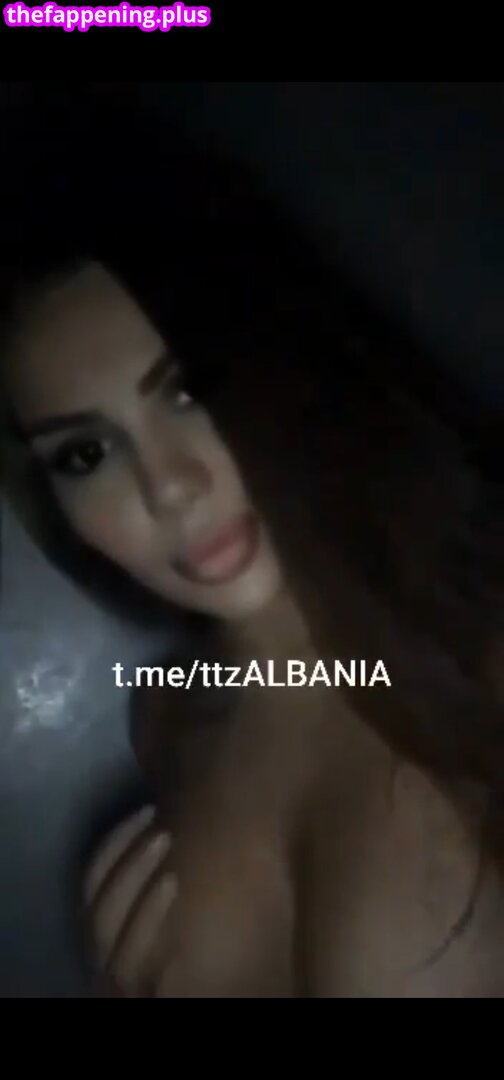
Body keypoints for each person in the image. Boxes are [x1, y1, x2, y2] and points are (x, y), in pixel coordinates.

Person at [1, 249, 502, 998]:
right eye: (86, 453)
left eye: (187, 391)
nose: (169, 487)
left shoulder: (484, 644)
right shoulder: (174, 714)